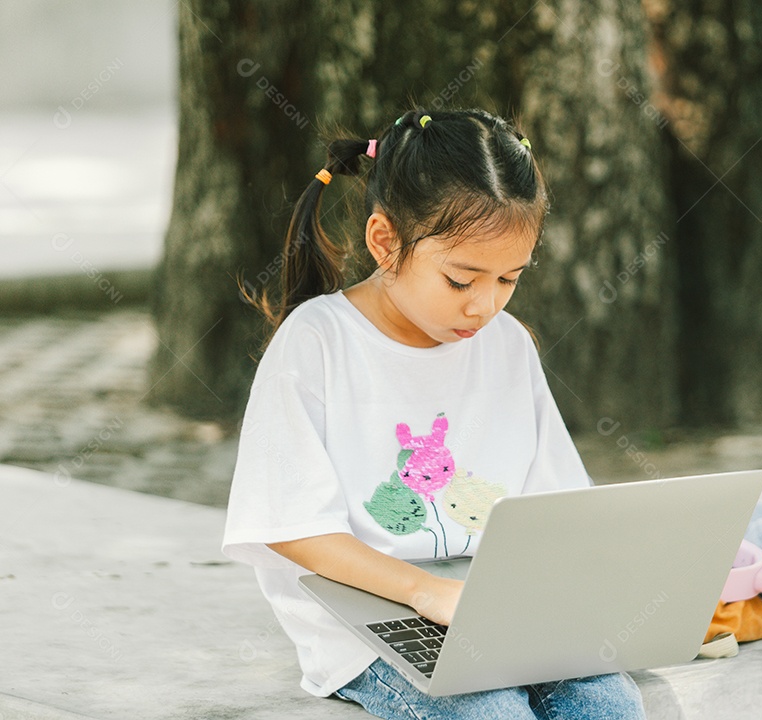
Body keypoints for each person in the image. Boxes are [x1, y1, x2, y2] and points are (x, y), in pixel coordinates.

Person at [221, 108, 647, 719]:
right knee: (491, 712)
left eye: (509, 279)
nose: (485, 306)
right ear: (385, 242)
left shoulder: (507, 345)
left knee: (610, 704)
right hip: (370, 615)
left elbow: (555, 505)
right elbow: (291, 525)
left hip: (495, 602)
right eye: (461, 280)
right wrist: (425, 592)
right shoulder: (317, 342)